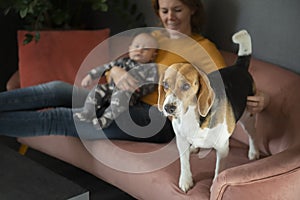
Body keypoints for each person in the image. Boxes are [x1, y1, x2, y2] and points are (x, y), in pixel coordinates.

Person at [0, 0, 269, 142]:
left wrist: (260, 99)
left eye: (177, 9)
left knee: (59, 118)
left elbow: (223, 88)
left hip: (159, 120)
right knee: (57, 89)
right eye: (164, 10)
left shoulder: (204, 48)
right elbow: (123, 66)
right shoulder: (153, 36)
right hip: (123, 97)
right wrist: (116, 72)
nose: (170, 16)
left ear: (192, 11)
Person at [74, 32, 158, 129]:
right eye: (137, 46)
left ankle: (106, 118)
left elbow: (151, 85)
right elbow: (106, 67)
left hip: (128, 95)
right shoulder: (123, 61)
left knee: (121, 95)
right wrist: (91, 75)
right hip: (110, 89)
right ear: (130, 48)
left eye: (146, 49)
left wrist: (138, 86)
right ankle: (87, 112)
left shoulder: (150, 68)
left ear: (152, 55)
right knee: (98, 89)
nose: (140, 50)